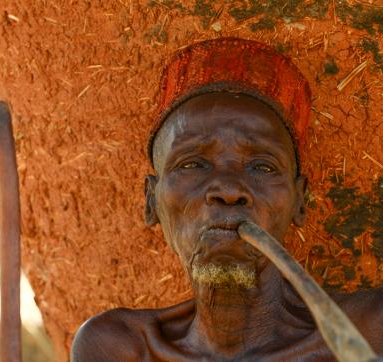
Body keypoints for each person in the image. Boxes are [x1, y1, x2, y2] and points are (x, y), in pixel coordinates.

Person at [70, 38, 383, 361]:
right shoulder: (121, 348)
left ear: (299, 202)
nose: (230, 190)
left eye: (262, 167)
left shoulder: (374, 332)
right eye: (192, 164)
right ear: (151, 202)